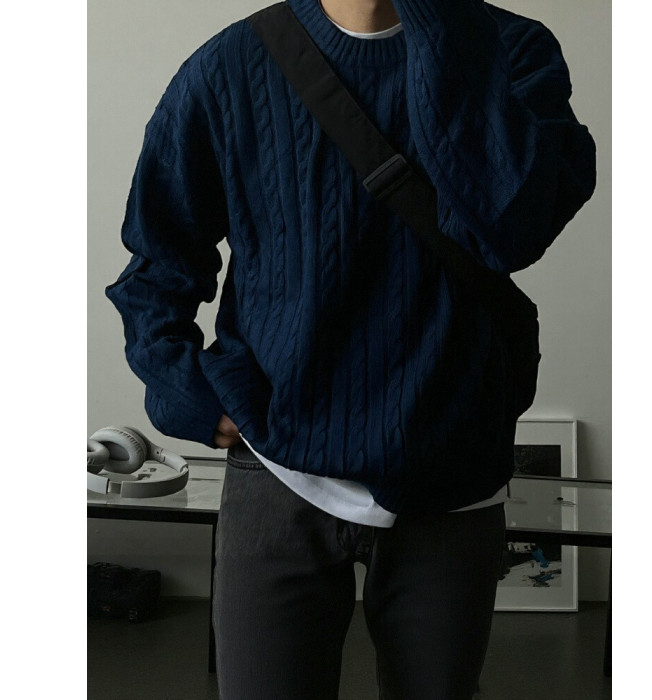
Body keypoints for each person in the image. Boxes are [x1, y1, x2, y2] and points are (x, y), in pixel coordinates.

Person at [106, 0, 596, 697]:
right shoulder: (230, 65)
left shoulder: (511, 50)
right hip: (278, 471)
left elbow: (515, 229)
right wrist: (188, 394)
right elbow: (159, 259)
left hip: (450, 474)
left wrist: (439, 28)